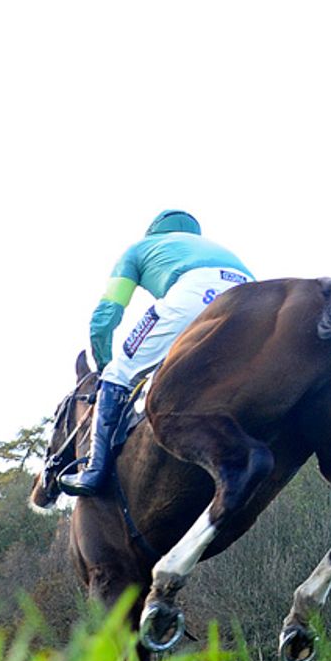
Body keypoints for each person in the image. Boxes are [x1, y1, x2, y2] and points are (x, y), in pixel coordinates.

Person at [60, 210, 255, 497]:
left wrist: (105, 366)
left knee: (118, 372)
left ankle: (93, 472)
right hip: (249, 294)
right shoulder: (214, 248)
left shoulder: (139, 249)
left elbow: (107, 314)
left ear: (154, 231)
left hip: (193, 291)